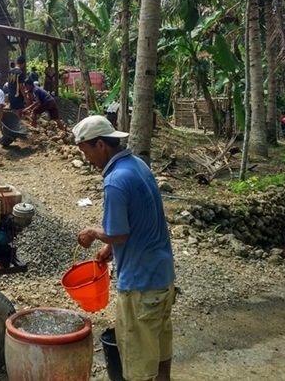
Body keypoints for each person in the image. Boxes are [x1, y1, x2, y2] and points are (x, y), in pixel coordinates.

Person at [73, 115, 175, 381]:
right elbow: (142, 219)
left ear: (101, 145)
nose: (87, 159)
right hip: (163, 278)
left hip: (139, 286)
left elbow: (117, 232)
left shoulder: (115, 180)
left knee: (138, 366)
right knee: (161, 353)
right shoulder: (138, 165)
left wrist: (93, 233)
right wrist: (110, 250)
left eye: (86, 152)